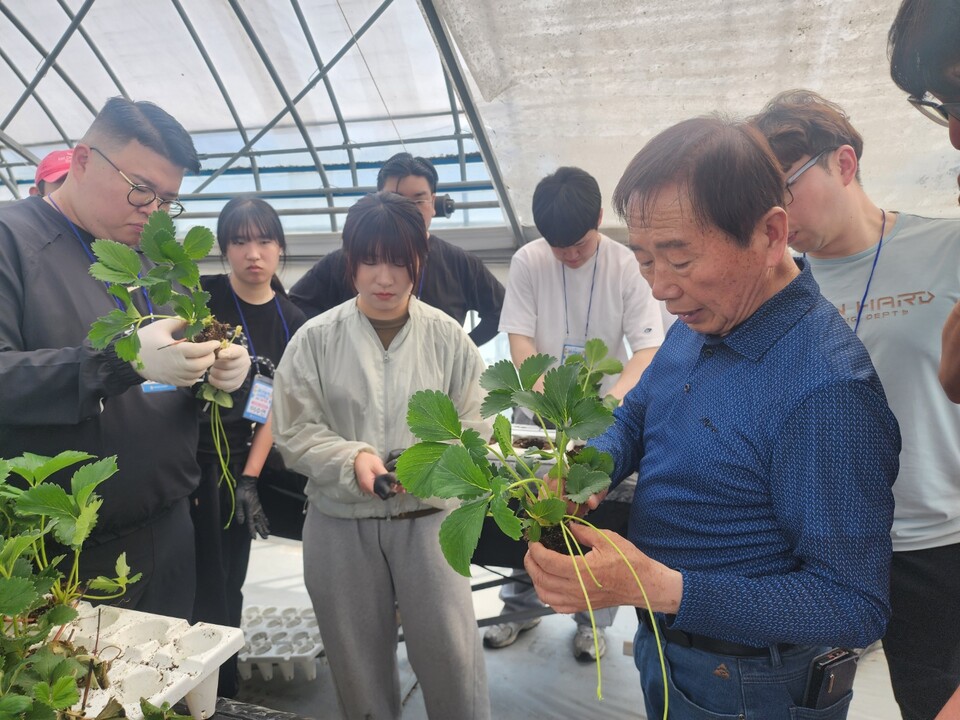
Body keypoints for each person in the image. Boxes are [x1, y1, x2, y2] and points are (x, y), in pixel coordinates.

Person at [525, 116, 900, 720]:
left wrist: (655, 587)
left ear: (772, 234)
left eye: (679, 258)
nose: (661, 288)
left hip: (754, 682)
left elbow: (852, 603)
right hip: (668, 647)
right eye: (645, 260)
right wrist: (585, 470)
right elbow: (638, 417)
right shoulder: (701, 321)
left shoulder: (826, 390)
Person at [752, 89, 960, 720]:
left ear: (843, 164)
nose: (777, 212)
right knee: (805, 699)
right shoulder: (777, 287)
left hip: (938, 535)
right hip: (829, 545)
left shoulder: (946, 249)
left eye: (786, 186)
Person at [0, 97, 250, 619]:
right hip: (65, 556)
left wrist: (222, 371)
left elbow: (177, 368)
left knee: (172, 693)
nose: (154, 213)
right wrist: (123, 363)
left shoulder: (152, 263)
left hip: (172, 530)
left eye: (168, 200)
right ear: (84, 159)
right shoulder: (13, 241)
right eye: (142, 190)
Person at [273, 191, 490, 720]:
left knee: (452, 660)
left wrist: (433, 462)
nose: (384, 277)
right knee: (357, 670)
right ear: (350, 262)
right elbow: (295, 430)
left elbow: (478, 424)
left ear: (420, 259)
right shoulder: (315, 339)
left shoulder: (448, 338)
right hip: (340, 523)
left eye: (398, 260)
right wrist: (352, 460)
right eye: (370, 260)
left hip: (429, 522)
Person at [487, 166, 664, 661]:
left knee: (591, 513)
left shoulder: (625, 264)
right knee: (531, 506)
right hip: (536, 413)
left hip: (600, 419)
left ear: (600, 219)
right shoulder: (527, 260)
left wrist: (609, 405)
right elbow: (519, 337)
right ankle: (516, 609)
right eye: (557, 246)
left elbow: (648, 348)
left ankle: (592, 622)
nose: (568, 255)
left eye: (579, 246)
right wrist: (544, 398)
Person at [192, 196, 306, 697]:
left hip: (239, 460)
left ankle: (221, 686)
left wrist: (250, 478)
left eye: (263, 241)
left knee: (226, 577)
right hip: (189, 454)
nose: (252, 253)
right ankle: (186, 679)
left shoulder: (295, 320)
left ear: (280, 248)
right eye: (239, 242)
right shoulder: (201, 299)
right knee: (190, 574)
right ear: (223, 250)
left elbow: (277, 406)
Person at [289, 152, 505, 346]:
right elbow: (297, 303)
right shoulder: (347, 259)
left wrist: (462, 347)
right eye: (396, 199)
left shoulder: (460, 263)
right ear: (378, 200)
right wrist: (332, 340)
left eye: (418, 200)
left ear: (433, 202)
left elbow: (501, 310)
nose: (407, 210)